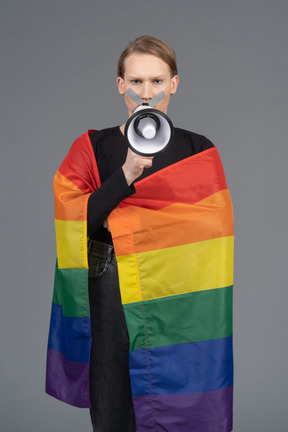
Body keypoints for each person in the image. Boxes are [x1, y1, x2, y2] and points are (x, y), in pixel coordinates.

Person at [46, 35, 234, 432]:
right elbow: (78, 219)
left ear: (175, 84)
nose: (146, 94)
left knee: (176, 396)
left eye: (157, 82)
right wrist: (127, 175)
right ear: (120, 85)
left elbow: (213, 229)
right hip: (109, 282)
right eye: (135, 82)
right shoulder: (92, 148)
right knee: (112, 397)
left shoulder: (197, 149)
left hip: (177, 285)